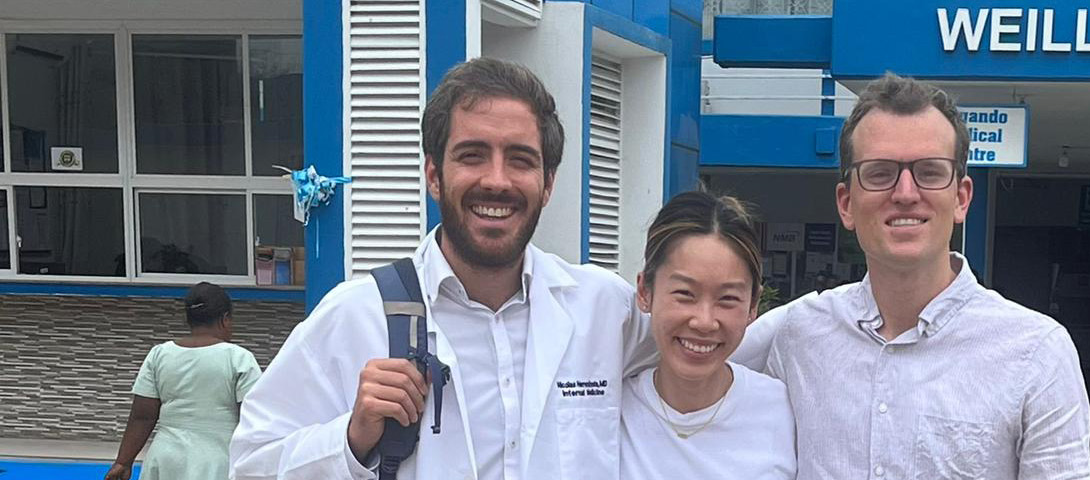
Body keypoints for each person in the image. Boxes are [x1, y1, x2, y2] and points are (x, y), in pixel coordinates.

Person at [230, 58, 653, 479]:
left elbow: (707, 367)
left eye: (521, 160)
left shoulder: (605, 308)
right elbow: (250, 465)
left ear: (548, 183)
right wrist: (351, 439)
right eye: (473, 155)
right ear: (434, 174)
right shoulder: (356, 316)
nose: (497, 181)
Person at [732, 73, 1090, 479]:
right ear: (846, 204)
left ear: (961, 198)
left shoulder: (1037, 353)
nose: (905, 192)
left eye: (931, 171)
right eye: (880, 172)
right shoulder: (796, 336)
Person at [619, 191, 795, 479]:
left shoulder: (785, 411)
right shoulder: (609, 408)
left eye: (727, 299)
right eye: (684, 294)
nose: (704, 322)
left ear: (753, 306)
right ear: (644, 292)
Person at [104, 282, 262, 480]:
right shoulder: (239, 358)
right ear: (225, 320)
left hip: (166, 460)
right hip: (216, 460)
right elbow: (253, 418)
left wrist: (123, 461)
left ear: (189, 320)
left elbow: (142, 416)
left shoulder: (160, 354)